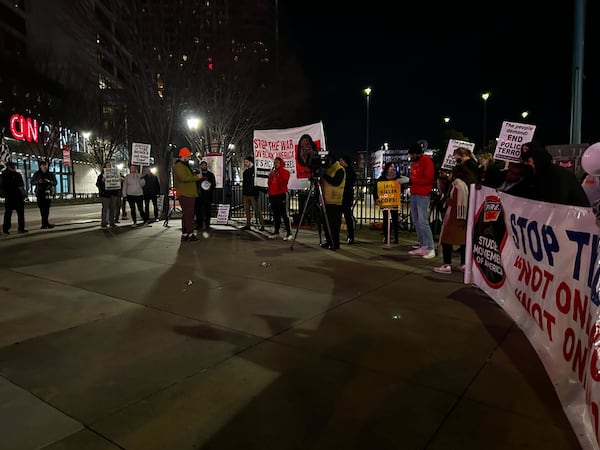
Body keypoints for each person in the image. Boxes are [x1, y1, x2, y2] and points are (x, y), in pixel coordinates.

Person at [433, 164, 477, 274]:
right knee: (462, 241)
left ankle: (446, 265)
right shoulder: (464, 184)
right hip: (461, 216)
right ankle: (464, 263)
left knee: (446, 241)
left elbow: (455, 201)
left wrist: (447, 201)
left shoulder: (456, 184)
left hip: (454, 216)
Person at [519, 141, 589, 207]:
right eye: (524, 161)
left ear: (538, 159)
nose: (527, 165)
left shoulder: (558, 175)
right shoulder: (532, 176)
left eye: (529, 161)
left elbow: (557, 204)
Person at [407, 142, 436, 259]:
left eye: (412, 155)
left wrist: (412, 181)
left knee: (423, 221)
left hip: (423, 194)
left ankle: (430, 247)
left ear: (416, 154)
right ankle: (423, 245)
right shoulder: (416, 163)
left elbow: (428, 179)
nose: (410, 157)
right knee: (416, 220)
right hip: (415, 193)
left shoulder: (427, 161)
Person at [373, 162, 408, 245]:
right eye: (391, 166)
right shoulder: (381, 178)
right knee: (386, 219)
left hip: (394, 201)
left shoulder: (397, 178)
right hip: (385, 202)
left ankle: (396, 237)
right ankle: (386, 236)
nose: (393, 168)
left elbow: (406, 182)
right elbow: (376, 189)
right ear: (387, 168)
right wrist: (376, 199)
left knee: (395, 219)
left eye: (394, 166)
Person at [174, 147, 202, 242]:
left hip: (187, 193)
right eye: (188, 156)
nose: (189, 158)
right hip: (186, 193)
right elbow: (184, 178)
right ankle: (190, 234)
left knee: (186, 214)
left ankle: (185, 233)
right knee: (189, 215)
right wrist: (196, 177)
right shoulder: (179, 166)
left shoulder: (182, 165)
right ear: (184, 156)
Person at [319, 153, 345, 250]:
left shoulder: (339, 169)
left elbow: (336, 182)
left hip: (335, 201)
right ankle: (329, 241)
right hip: (326, 200)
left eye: (327, 160)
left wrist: (324, 175)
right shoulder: (328, 170)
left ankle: (335, 243)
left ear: (332, 160)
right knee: (326, 224)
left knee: (334, 225)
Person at [267, 156, 292, 240]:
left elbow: (284, 183)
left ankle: (289, 233)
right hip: (273, 195)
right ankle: (276, 231)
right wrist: (270, 177)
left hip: (281, 194)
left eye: (277, 162)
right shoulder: (273, 172)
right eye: (274, 163)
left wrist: (277, 175)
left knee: (284, 214)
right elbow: (269, 184)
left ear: (281, 163)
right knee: (275, 214)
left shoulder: (285, 172)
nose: (275, 164)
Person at [241, 155, 265, 231]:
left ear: (250, 162)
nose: (245, 163)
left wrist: (256, 193)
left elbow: (256, 183)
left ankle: (262, 225)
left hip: (252, 194)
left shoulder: (254, 171)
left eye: (246, 162)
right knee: (247, 211)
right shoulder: (246, 172)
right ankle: (248, 224)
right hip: (246, 194)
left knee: (257, 211)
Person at [2, 162, 27, 234]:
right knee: (20, 213)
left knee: (8, 214)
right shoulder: (17, 175)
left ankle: (6, 229)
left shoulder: (3, 175)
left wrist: (4, 194)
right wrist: (24, 194)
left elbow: (2, 187)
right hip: (17, 196)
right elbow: (21, 186)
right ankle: (21, 228)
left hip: (9, 197)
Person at [31, 160, 57, 229]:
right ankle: (44, 223)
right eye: (44, 165)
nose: (45, 167)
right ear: (40, 166)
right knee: (42, 209)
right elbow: (32, 182)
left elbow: (55, 182)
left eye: (46, 165)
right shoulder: (37, 174)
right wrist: (38, 181)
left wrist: (49, 181)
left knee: (47, 208)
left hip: (48, 193)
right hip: (39, 193)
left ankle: (45, 223)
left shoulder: (50, 174)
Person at [96, 161, 120, 228]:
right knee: (105, 209)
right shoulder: (101, 176)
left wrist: (119, 181)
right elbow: (97, 184)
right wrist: (102, 181)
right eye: (107, 165)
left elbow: (117, 184)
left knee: (112, 209)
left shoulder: (115, 175)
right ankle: (104, 223)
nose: (109, 167)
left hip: (113, 194)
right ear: (104, 167)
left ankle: (112, 222)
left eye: (110, 165)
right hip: (105, 195)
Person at [339, 154, 356, 244]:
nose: (339, 162)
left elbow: (349, 184)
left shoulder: (349, 171)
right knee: (338, 217)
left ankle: (351, 236)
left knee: (347, 217)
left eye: (341, 160)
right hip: (340, 196)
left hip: (346, 196)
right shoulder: (340, 170)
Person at [195, 160, 216, 231]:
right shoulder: (198, 175)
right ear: (200, 166)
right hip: (199, 195)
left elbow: (214, 184)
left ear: (206, 166)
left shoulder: (210, 175)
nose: (203, 166)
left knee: (208, 211)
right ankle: (199, 224)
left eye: (205, 165)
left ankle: (207, 224)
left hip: (208, 195)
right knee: (198, 211)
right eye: (202, 165)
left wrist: (210, 187)